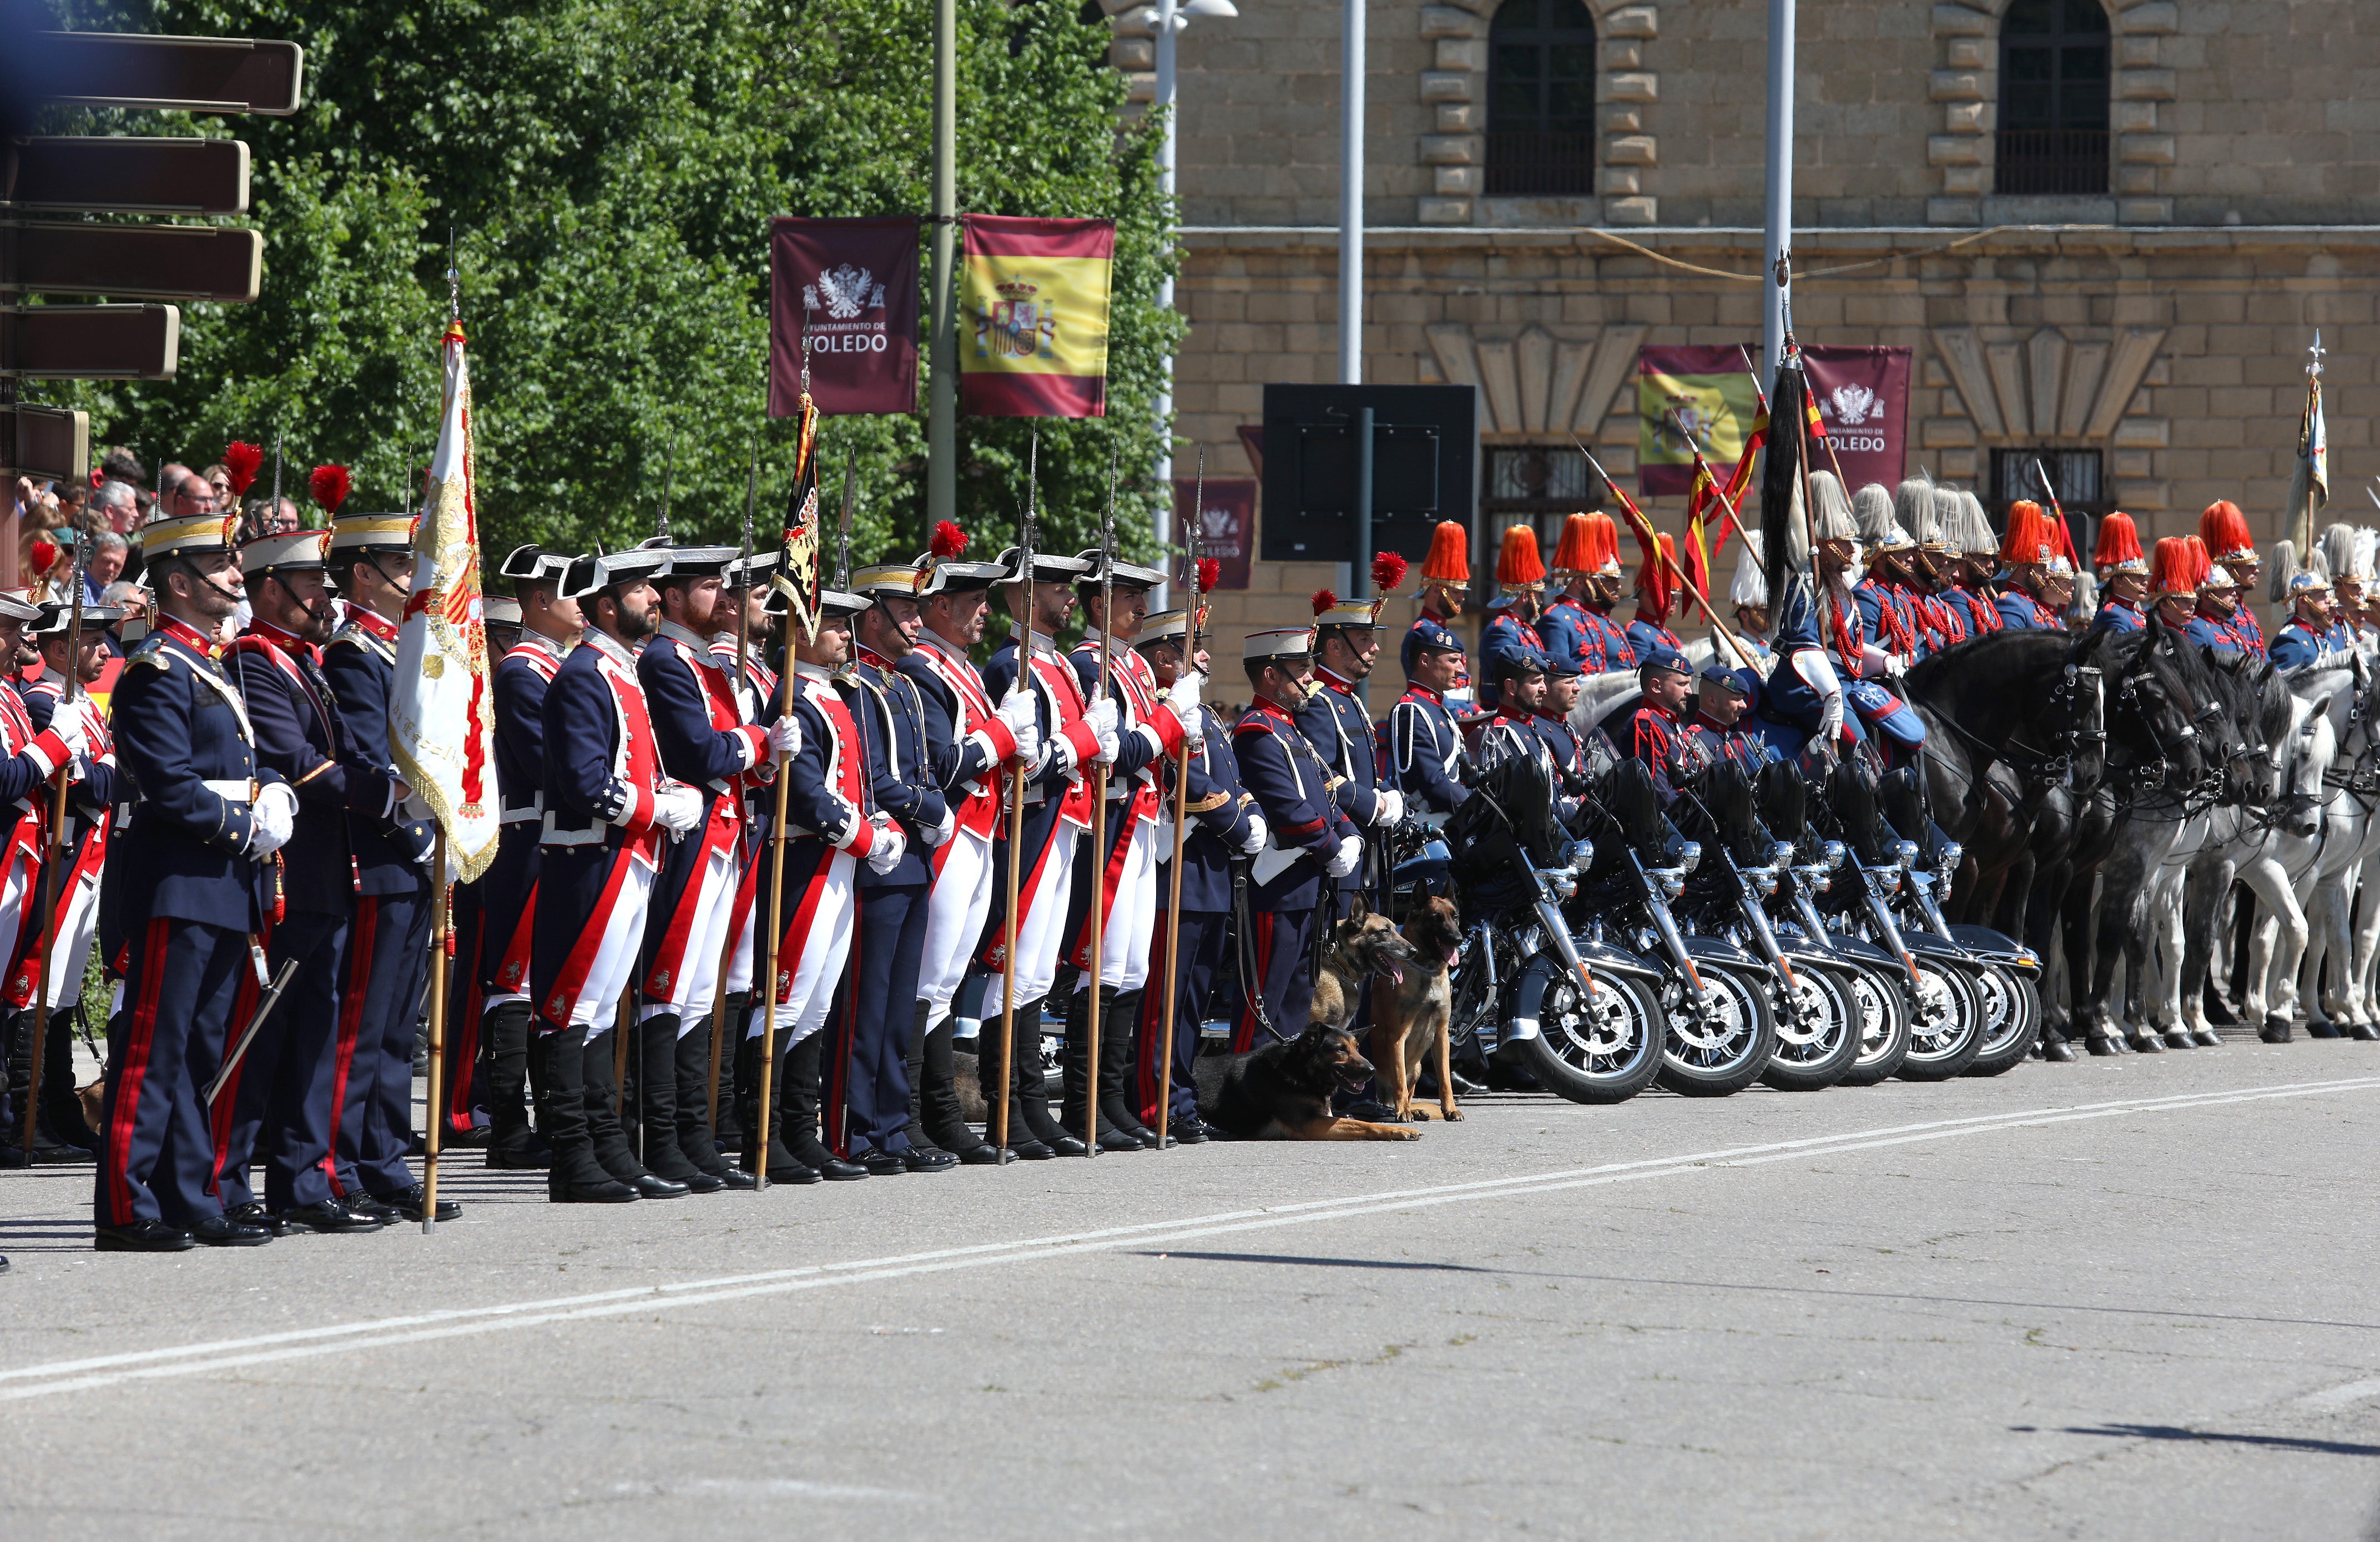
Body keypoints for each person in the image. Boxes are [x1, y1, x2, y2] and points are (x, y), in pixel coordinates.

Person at [92, 505, 290, 1250]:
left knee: (206, 1048)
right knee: (155, 1048)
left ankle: (186, 1191)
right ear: (180, 580)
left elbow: (242, 758)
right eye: (225, 566)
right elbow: (170, 784)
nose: (239, 575)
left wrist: (276, 788)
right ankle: (124, 1204)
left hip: (221, 881)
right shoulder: (155, 670)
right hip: (177, 879)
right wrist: (247, 828)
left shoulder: (208, 661)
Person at [212, 527, 394, 1235]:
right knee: (264, 1035)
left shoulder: (301, 660)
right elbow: (296, 761)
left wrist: (397, 780)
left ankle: (302, 1180)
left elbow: (343, 747)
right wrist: (382, 795)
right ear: (269, 590)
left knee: (316, 1032)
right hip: (291, 875)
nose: (325, 595)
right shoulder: (254, 660)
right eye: (310, 584)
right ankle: (226, 1182)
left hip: (328, 875)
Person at [533, 547, 698, 1203]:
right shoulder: (584, 674)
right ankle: (573, 1156)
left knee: (601, 1013)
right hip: (592, 858)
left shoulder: (619, 671)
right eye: (641, 592)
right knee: (572, 1009)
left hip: (627, 855)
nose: (655, 600)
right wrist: (660, 806)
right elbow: (583, 784)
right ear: (607, 605)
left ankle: (607, 1146)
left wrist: (663, 796)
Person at [320, 512, 455, 1224]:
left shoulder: (406, 647)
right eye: (406, 565)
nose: (419, 577)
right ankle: (342, 1164)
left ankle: (383, 1157)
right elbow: (371, 764)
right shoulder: (353, 653)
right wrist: (421, 838)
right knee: (364, 1024)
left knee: (400, 1022)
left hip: (416, 858)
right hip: (381, 857)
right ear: (365, 573)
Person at [634, 538, 776, 1194]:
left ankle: (693, 1136)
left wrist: (759, 753)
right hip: (692, 838)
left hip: (725, 836)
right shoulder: (666, 660)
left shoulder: (702, 663)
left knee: (697, 997)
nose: (723, 596)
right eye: (708, 586)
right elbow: (698, 750)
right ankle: (661, 1139)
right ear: (670, 597)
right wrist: (755, 742)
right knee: (668, 992)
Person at [758, 579, 896, 1183]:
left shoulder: (831, 695)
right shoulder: (795, 695)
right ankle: (766, 1134)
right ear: (801, 631)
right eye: (835, 622)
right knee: (788, 998)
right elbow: (809, 795)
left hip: (838, 861)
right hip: (806, 860)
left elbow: (855, 783)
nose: (846, 632)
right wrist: (866, 837)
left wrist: (880, 824)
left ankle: (798, 1128)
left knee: (816, 1005)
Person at [900, 527, 1030, 1165]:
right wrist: (1002, 736)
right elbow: (942, 762)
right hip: (946, 835)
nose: (987, 609)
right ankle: (911, 1117)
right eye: (975, 599)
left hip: (981, 834)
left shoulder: (963, 671)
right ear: (937, 607)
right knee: (926, 982)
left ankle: (942, 1115)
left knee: (947, 984)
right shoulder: (922, 669)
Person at [976, 545, 1104, 1159]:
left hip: (1065, 823)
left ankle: (1031, 1102)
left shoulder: (1059, 667)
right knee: (1017, 969)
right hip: (1031, 824)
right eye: (1057, 588)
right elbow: (1032, 762)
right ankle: (1009, 1104)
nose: (1070, 598)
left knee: (1037, 973)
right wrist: (1084, 739)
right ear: (1025, 595)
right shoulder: (1011, 664)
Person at [1063, 548, 1193, 1151]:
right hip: (1111, 821)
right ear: (1098, 605)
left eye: (1143, 598)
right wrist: (1169, 719)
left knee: (1133, 967)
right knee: (1104, 964)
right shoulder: (1091, 666)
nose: (1143, 609)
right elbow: (1120, 754)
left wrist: (1178, 727)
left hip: (1145, 821)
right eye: (1130, 598)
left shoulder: (1136, 669)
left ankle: (1110, 1098)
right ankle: (1086, 1101)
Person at [835, 559, 958, 1174]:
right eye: (906, 610)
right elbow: (873, 778)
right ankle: (857, 1129)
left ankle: (890, 1125)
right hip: (880, 859)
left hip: (913, 860)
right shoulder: (854, 684)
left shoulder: (903, 684)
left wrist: (933, 808)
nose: (916, 620)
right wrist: (928, 808)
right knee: (869, 1002)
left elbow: (924, 766)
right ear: (870, 615)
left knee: (897, 1003)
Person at [1132, 608, 1255, 1141]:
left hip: (1209, 874)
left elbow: (1231, 778)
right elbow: (1188, 778)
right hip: (1177, 868)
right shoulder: (1166, 710)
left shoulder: (1207, 716)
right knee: (1167, 1000)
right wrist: (1234, 820)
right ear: (1165, 657)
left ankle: (1180, 1097)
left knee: (1194, 1001)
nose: (1205, 655)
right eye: (1193, 647)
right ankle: (1154, 1101)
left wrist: (1251, 812)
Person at [4, 600, 117, 1163]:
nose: (106, 651)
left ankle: (57, 1107)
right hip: (60, 852)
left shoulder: (77, 704)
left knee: (64, 991)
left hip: (87, 853)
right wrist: (114, 774)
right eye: (92, 640)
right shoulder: (45, 702)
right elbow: (85, 782)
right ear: (56, 650)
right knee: (37, 985)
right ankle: (31, 1112)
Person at [481, 544, 575, 1174]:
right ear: (539, 601)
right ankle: (509, 1125)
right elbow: (554, 760)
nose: (583, 605)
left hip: (554, 837)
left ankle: (541, 1114)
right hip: (527, 839)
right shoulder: (522, 671)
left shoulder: (554, 667)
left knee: (544, 985)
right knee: (512, 984)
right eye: (571, 592)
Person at [1229, 628, 1359, 1048]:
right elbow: (1289, 811)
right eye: (1301, 668)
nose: (1310, 676)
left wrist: (1350, 833)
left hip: (1307, 887)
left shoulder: (1290, 731)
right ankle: (1248, 1097)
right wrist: (1331, 846)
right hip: (1279, 889)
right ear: (1271, 674)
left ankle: (1280, 1102)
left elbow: (1327, 795)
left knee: (1297, 1001)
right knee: (1266, 998)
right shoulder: (1257, 732)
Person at [1299, 590, 1399, 918]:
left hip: (1369, 851)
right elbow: (1322, 777)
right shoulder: (1318, 701)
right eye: (1365, 638)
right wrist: (1374, 805)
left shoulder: (1351, 701)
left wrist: (1387, 794)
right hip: (1342, 848)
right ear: (1335, 646)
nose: (1375, 648)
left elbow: (1363, 771)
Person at [1386, 615, 1469, 819]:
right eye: (1452, 661)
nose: (1461, 670)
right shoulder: (1411, 710)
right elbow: (1433, 783)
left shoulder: (1438, 709)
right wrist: (1475, 809)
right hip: (1432, 825)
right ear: (1425, 661)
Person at [1627, 646, 1711, 807]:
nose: (1689, 691)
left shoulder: (1673, 724)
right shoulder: (1647, 724)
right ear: (1656, 686)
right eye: (1682, 684)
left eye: (1689, 684)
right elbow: (1657, 792)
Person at [1409, 520, 1475, 715]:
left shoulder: (1442, 630)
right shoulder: (1421, 631)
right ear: (1438, 591)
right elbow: (1428, 685)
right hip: (1438, 714)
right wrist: (1458, 715)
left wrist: (1474, 711)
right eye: (1456, 592)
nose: (1462, 598)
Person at [1480, 524, 1549, 711]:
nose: (1541, 601)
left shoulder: (1522, 628)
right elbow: (1514, 682)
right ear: (1526, 596)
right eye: (1538, 595)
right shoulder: (1501, 630)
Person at [1993, 500, 2073, 631]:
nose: (2047, 576)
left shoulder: (2036, 605)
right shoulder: (2009, 603)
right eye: (2042, 569)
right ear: (2024, 570)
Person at [1576, 513, 1640, 674]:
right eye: (1610, 580)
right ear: (1592, 581)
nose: (1618, 586)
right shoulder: (1582, 622)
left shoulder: (1615, 625)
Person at [2202, 500, 2266, 657]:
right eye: (2248, 566)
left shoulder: (2247, 612)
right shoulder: (2219, 611)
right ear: (2230, 569)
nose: (2256, 570)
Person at [1539, 513, 1599, 678]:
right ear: (1579, 582)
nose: (1596, 586)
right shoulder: (1555, 617)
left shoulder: (1588, 616)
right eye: (1591, 580)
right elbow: (1559, 673)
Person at [1688, 662, 1769, 775]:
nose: (1744, 706)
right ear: (1712, 701)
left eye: (1742, 699)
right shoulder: (1692, 740)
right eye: (1736, 699)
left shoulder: (1728, 737)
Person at [1623, 533, 1688, 663]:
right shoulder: (1637, 633)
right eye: (1669, 595)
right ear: (1648, 595)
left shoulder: (1673, 639)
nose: (1675, 601)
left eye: (1675, 596)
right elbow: (1639, 679)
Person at [2268, 565, 2343, 670]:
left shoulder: (2322, 639)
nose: (2329, 601)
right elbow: (2286, 685)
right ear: (2303, 602)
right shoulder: (2291, 639)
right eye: (2322, 596)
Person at [2089, 511, 2150, 634]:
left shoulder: (2138, 614)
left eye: (2143, 577)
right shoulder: (2112, 614)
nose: (2145, 582)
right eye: (2138, 577)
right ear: (2118, 582)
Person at [2145, 537, 2203, 633]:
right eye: (2185, 601)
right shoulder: (2157, 634)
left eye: (2192, 602)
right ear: (2164, 605)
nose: (2192, 607)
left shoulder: (2187, 631)